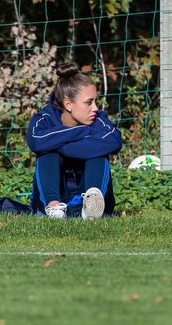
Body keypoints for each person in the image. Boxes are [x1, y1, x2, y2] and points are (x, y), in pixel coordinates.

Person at [25, 62, 121, 219]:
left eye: (95, 101)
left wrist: (60, 145)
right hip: (55, 198)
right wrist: (83, 132)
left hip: (87, 195)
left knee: (98, 155)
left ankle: (91, 209)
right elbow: (35, 141)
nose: (95, 108)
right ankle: (53, 208)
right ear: (68, 104)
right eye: (88, 102)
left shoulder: (98, 119)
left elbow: (115, 140)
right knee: (47, 154)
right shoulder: (44, 118)